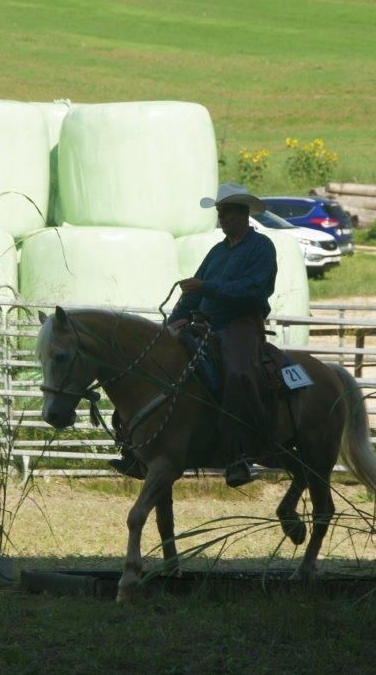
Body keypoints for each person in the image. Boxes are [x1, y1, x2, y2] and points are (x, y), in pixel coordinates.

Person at [109, 183, 278, 487]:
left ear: (242, 214)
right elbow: (192, 293)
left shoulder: (262, 247)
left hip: (240, 324)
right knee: (153, 364)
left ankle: (239, 454)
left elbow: (254, 290)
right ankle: (134, 449)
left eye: (225, 213)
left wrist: (208, 289)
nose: (221, 219)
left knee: (238, 373)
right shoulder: (217, 251)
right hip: (204, 324)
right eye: (220, 214)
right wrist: (172, 324)